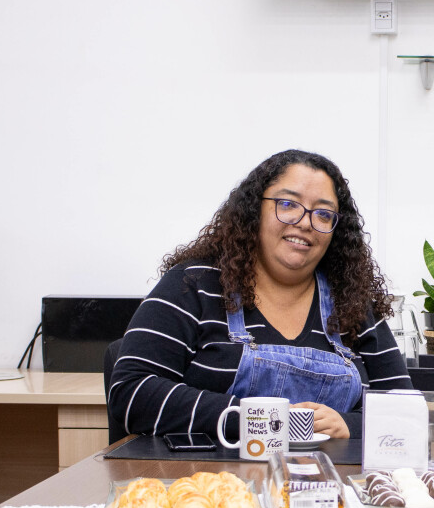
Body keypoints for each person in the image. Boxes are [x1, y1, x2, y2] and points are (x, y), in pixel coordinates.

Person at [109, 149, 412, 441]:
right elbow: (131, 393)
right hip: (211, 485)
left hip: (328, 487)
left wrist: (348, 425)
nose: (305, 223)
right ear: (255, 209)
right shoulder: (194, 285)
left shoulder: (353, 306)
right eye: (288, 204)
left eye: (323, 214)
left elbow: (409, 416)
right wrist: (257, 420)